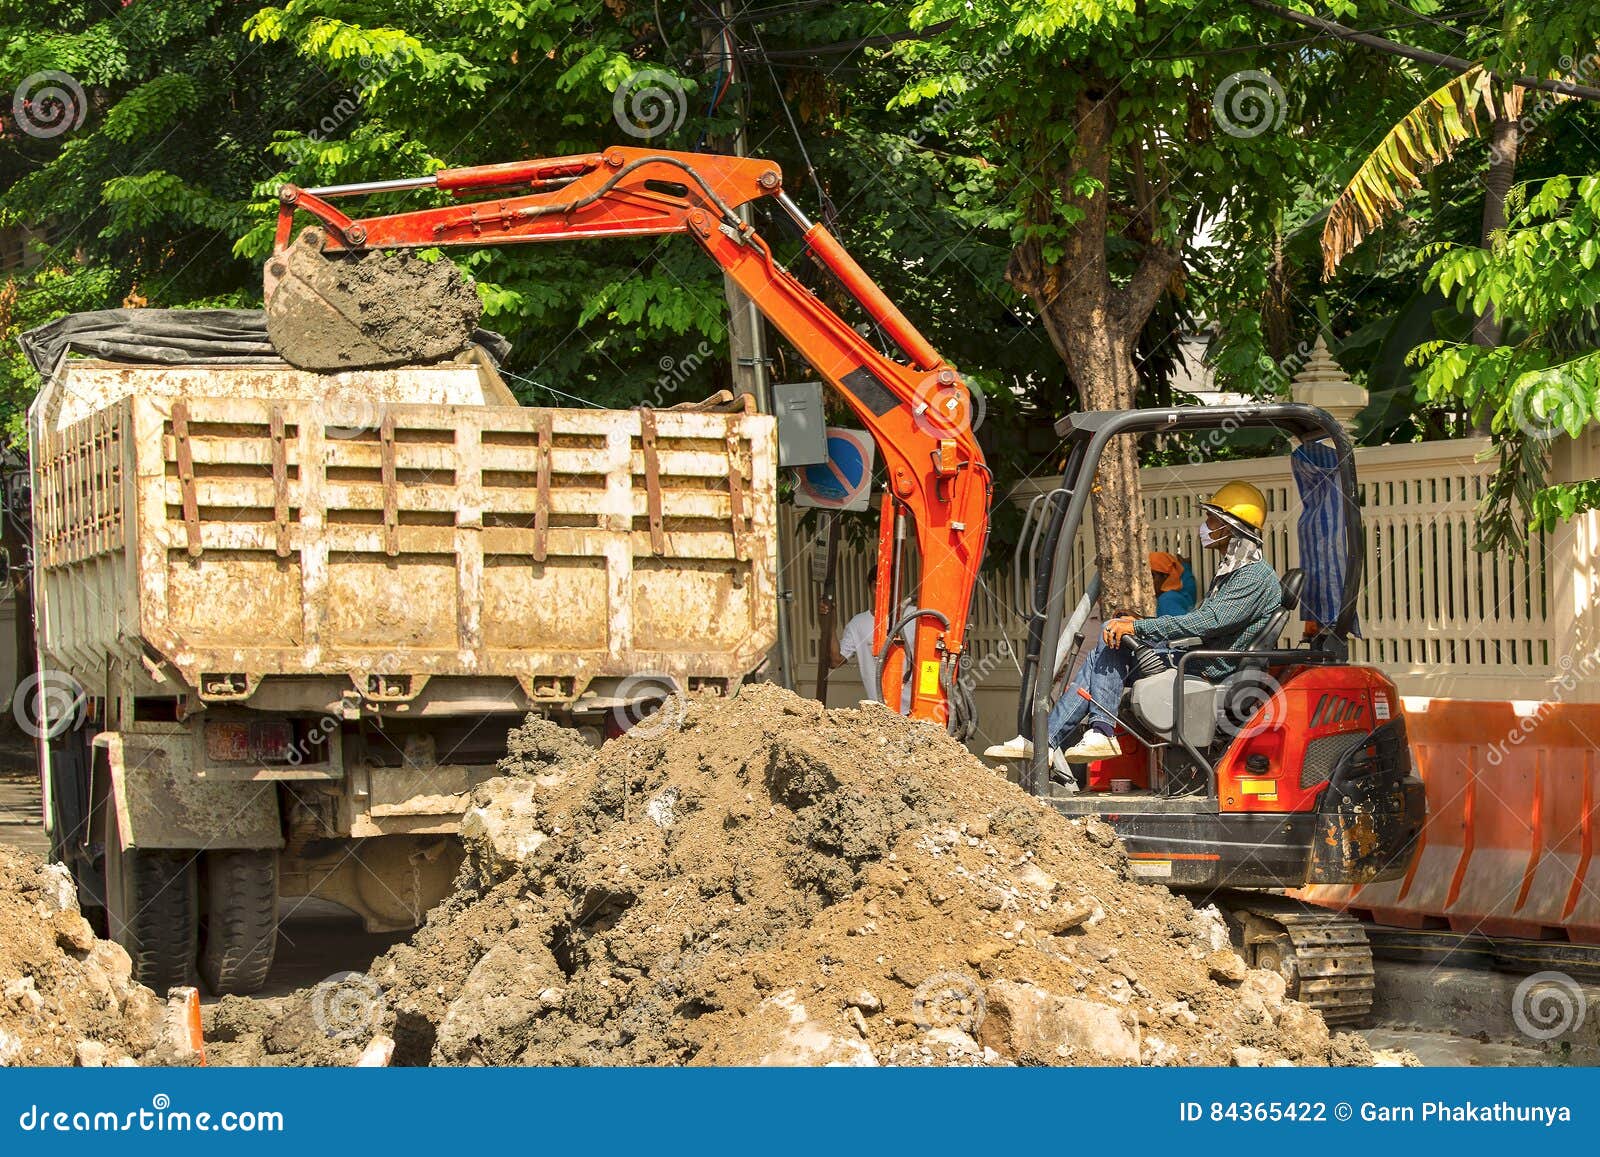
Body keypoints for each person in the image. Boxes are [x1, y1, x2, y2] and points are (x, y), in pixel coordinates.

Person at [985, 481, 1281, 767]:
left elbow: (1208, 622)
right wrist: (1137, 624)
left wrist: (1139, 629)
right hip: (1204, 662)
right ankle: (1056, 740)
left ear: (1231, 527)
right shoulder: (1238, 572)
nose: (1205, 526)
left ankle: (1086, 734)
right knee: (1107, 644)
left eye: (1211, 519)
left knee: (1110, 639)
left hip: (1209, 668)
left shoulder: (1253, 576)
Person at [820, 568, 913, 712]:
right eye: (878, 586)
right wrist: (830, 624)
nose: (883, 591)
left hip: (917, 711)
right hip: (881, 715)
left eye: (891, 586)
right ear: (872, 587)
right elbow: (835, 661)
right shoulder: (858, 624)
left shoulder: (915, 616)